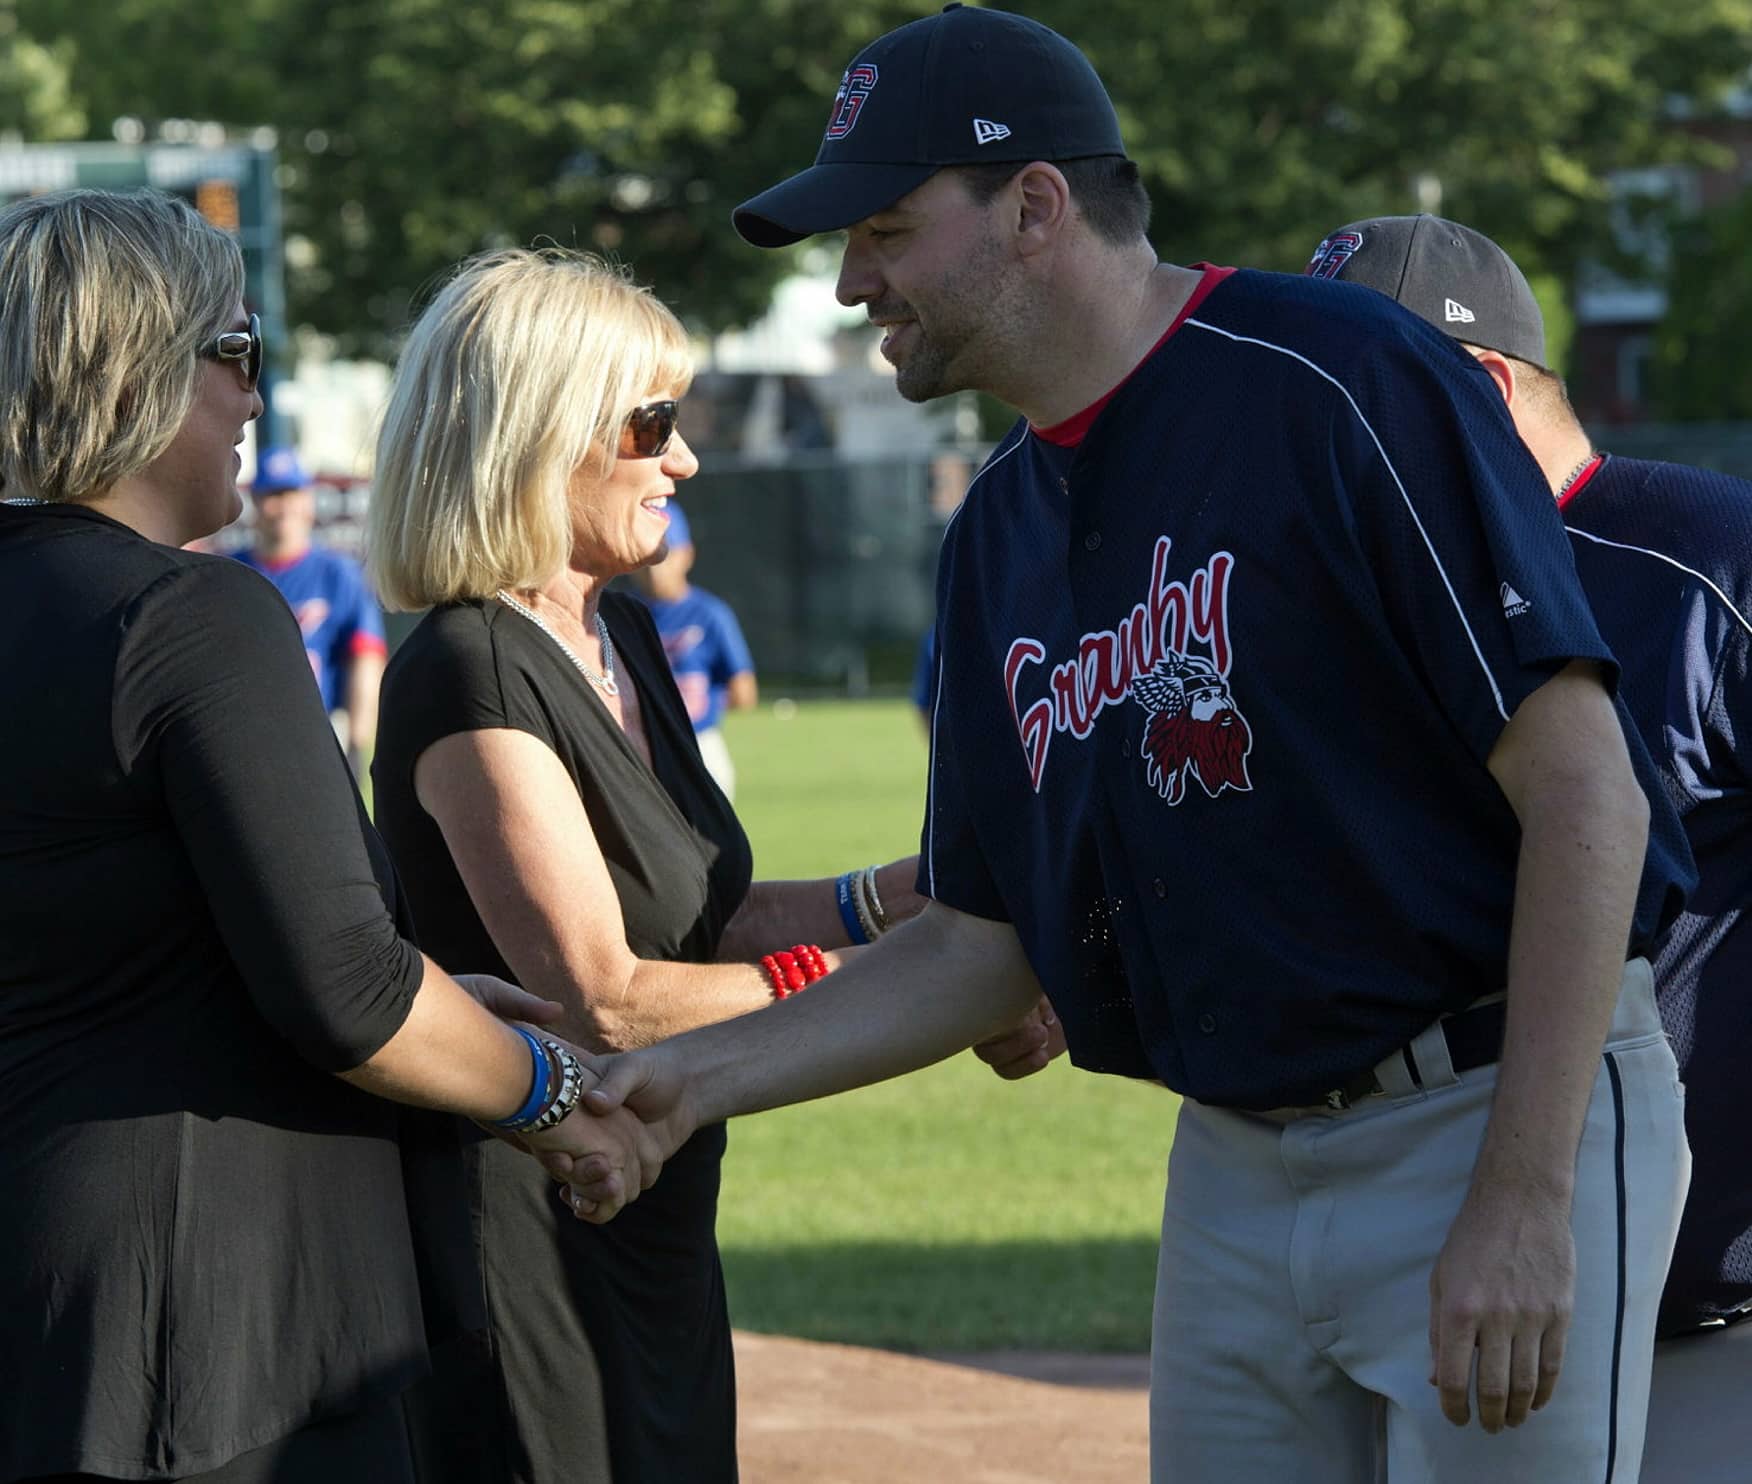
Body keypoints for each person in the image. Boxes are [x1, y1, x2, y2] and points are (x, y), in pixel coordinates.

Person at [557, 9, 1700, 1483]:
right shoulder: (998, 534)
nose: (851, 283)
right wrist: (692, 1085)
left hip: (1485, 1103)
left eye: (889, 229)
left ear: (1035, 207)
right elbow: (981, 944)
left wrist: (1525, 1196)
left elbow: (1590, 798)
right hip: (1232, 1153)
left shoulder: (1336, 378)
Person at [0, 190, 648, 1484]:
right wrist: (555, 1096)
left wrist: (432, 999)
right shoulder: (194, 618)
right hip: (218, 1328)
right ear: (142, 368)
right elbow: (349, 993)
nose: (256, 400)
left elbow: (134, 940)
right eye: (239, 355)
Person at [365, 246, 925, 1484]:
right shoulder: (471, 665)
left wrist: (901, 897)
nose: (682, 458)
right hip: (533, 1225)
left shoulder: (614, 632)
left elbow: (702, 915)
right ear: (539, 429)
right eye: (653, 421)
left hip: (654, 1195)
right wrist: (904, 977)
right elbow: (603, 996)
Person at [1311, 210, 1752, 1482]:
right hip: (1409, 1302)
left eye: (1366, 393)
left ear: (1486, 387)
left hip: (1695, 1325)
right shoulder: (1351, 586)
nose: (1328, 429)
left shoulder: (1707, 556)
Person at [235, 445, 387, 777]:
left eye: (291, 493)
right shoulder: (231, 571)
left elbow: (365, 659)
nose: (283, 506)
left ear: (308, 500)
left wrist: (357, 743)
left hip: (320, 731)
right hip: (247, 736)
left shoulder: (338, 573)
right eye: (273, 495)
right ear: (257, 504)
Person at [629, 500, 757, 799]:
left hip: (700, 742)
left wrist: (695, 701)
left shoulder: (709, 613)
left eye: (665, 553)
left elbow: (744, 692)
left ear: (687, 555)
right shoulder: (621, 614)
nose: (655, 567)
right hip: (642, 744)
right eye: (646, 556)